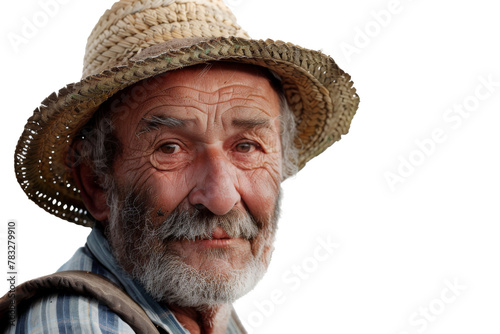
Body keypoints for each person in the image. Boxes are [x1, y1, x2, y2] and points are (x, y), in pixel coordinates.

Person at [4, 0, 359, 332]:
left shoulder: (205, 319)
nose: (220, 198)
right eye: (171, 148)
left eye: (247, 146)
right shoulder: (80, 324)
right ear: (97, 183)